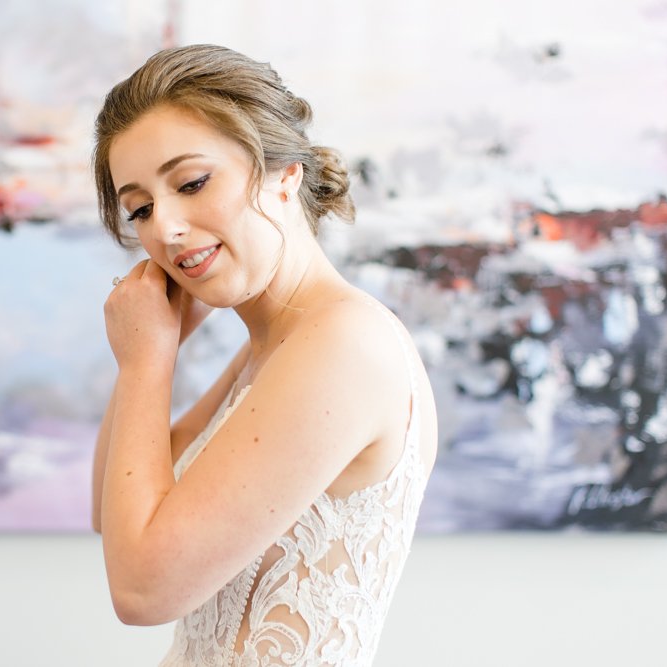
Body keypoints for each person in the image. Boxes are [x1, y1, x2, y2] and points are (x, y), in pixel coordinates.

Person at [90, 44, 437, 667]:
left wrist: (148, 365)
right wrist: (153, 346)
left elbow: (142, 589)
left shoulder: (343, 344)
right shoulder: (274, 347)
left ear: (284, 173)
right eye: (140, 207)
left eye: (192, 183)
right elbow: (112, 510)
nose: (164, 228)